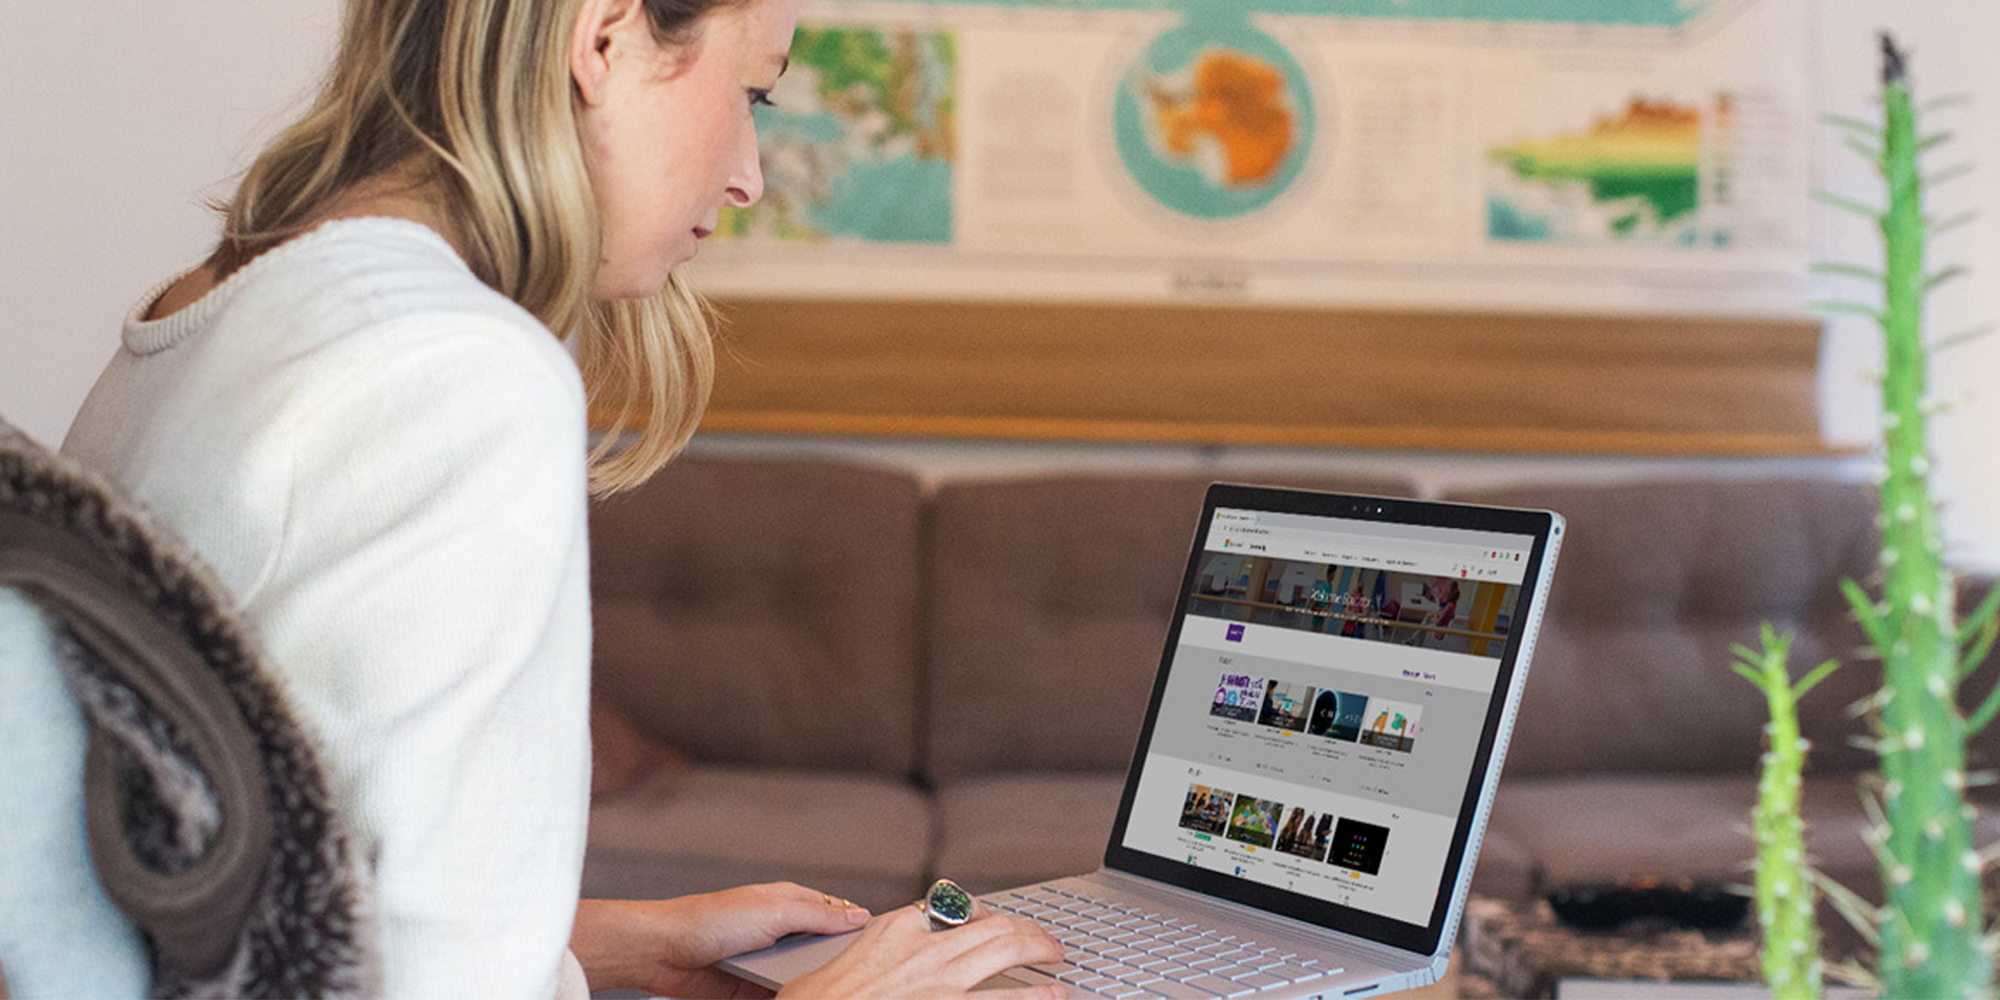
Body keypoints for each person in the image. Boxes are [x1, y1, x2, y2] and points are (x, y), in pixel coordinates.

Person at [57, 0, 1062, 995]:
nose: (750, 174)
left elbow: (253, 900)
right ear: (605, 38)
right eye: (752, 89)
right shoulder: (457, 365)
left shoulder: (195, 310)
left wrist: (621, 941)